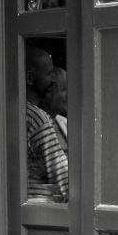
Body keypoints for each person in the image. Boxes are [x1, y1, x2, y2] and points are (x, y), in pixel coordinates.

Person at [26, 46, 68, 202]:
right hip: (41, 207)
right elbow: (62, 177)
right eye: (49, 74)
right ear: (30, 78)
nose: (52, 80)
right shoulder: (37, 118)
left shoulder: (14, 111)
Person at [41, 66, 68, 155]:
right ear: (48, 91)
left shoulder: (65, 122)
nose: (68, 95)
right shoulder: (37, 125)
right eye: (64, 89)